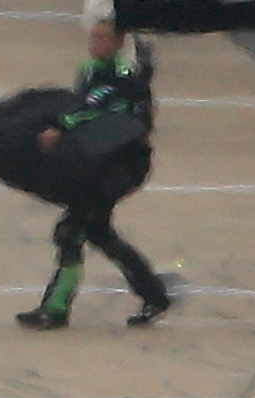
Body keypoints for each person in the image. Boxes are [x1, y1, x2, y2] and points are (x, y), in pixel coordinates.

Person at [14, 25, 171, 329]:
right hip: (99, 164)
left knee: (71, 231)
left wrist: (61, 126)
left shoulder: (121, 76)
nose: (95, 42)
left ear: (119, 42)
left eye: (103, 37)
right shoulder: (91, 69)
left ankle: (55, 309)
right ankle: (154, 295)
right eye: (93, 36)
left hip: (120, 167)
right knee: (97, 232)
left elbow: (93, 107)